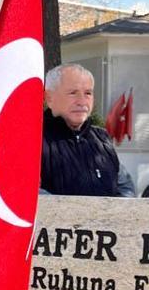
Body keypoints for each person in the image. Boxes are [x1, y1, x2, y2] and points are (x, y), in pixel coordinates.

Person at [41, 63, 135, 197]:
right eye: (73, 93)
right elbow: (27, 192)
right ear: (49, 98)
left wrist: (115, 209)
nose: (82, 101)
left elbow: (125, 187)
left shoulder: (102, 139)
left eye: (88, 93)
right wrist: (76, 210)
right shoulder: (33, 139)